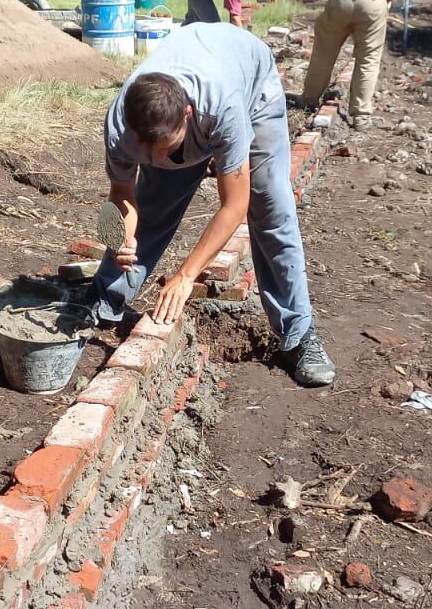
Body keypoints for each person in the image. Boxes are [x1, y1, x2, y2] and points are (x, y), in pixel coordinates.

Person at [93, 22, 335, 387]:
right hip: (194, 84)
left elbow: (234, 206)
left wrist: (185, 276)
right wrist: (121, 239)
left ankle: (298, 335)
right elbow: (122, 195)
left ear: (188, 115)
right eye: (146, 149)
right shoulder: (122, 124)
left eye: (165, 146)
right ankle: (104, 300)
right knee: (154, 202)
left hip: (251, 83)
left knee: (270, 205)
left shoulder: (221, 108)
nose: (152, 156)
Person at [302, 0, 404, 131]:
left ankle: (309, 100)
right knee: (368, 59)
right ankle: (361, 117)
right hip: (372, 0)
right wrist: (385, 3)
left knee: (323, 53)